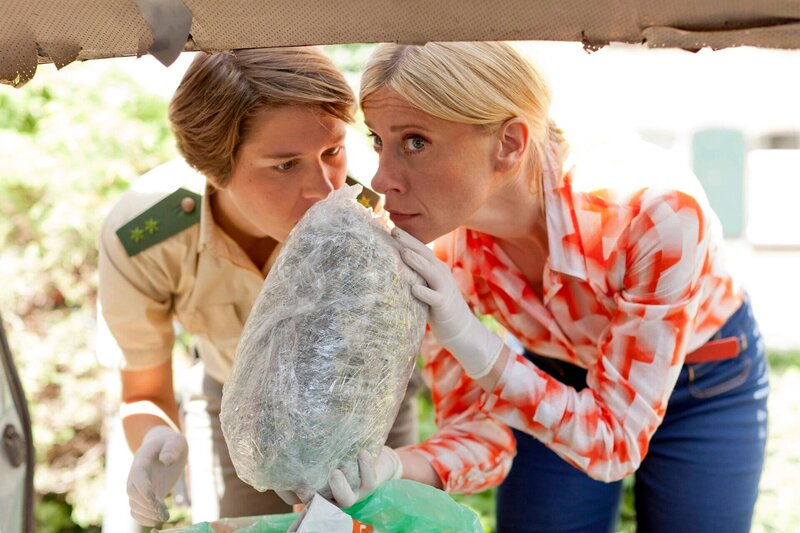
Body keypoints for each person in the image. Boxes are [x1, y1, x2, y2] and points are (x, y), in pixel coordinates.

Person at [328, 41, 769, 533]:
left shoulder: (654, 210)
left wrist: (474, 343)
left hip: (703, 381)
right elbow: (481, 438)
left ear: (509, 143)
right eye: (378, 142)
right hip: (553, 374)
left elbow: (615, 442)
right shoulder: (441, 252)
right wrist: (393, 468)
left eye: (415, 142)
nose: (382, 179)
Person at [98, 47, 419, 527]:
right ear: (214, 168)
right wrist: (155, 441)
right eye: (285, 165)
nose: (326, 188)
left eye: (332, 151)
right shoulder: (149, 238)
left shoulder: (381, 214)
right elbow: (144, 392)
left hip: (369, 411)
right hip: (237, 413)